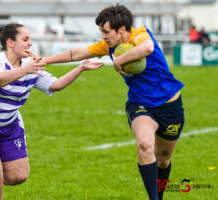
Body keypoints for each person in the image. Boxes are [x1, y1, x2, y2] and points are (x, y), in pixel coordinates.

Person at [42, 4, 185, 200]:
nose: (102, 36)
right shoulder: (108, 46)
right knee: (144, 144)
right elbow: (76, 53)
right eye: (101, 31)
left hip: (170, 105)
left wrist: (119, 60)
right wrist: (45, 60)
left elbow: (147, 47)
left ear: (122, 30)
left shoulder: (140, 34)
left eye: (106, 31)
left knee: (163, 159)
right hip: (140, 104)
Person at [0, 23, 104, 200]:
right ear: (10, 42)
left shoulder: (30, 66)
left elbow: (55, 85)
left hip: (9, 127)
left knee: (18, 176)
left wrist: (80, 68)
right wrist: (26, 69)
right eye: (25, 39)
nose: (30, 43)